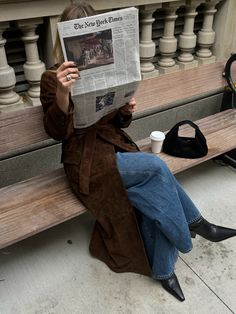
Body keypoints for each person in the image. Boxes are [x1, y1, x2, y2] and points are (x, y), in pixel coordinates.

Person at [40, 1, 236, 302]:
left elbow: (114, 119)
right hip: (84, 160)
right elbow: (57, 132)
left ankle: (164, 269)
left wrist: (125, 108)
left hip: (113, 146)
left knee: (154, 193)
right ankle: (195, 225)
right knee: (156, 170)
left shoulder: (106, 67)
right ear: (65, 43)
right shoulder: (53, 78)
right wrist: (64, 94)